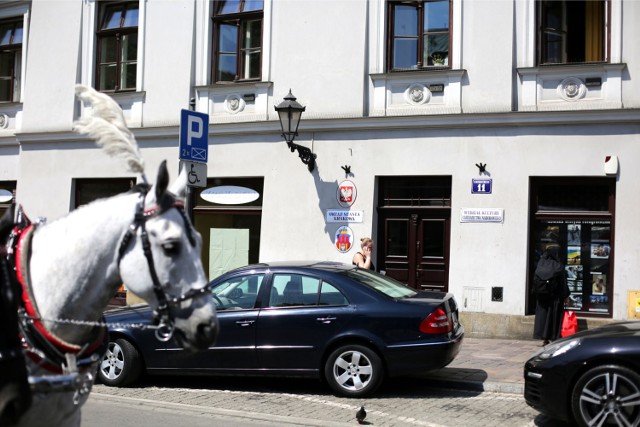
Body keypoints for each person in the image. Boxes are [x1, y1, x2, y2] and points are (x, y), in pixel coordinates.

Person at [533, 246, 570, 346]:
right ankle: (554, 338)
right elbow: (563, 283)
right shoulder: (558, 266)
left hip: (542, 296)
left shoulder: (541, 263)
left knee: (543, 317)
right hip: (555, 297)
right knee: (553, 318)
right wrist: (566, 295)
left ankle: (544, 339)